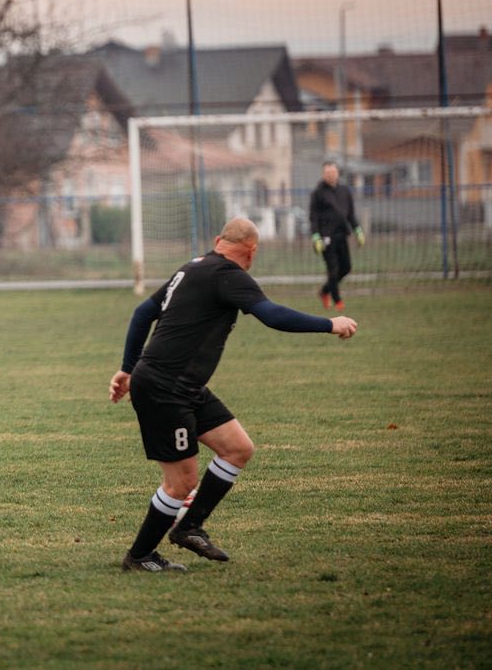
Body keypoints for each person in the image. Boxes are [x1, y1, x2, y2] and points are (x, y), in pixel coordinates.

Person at [109, 218, 358, 573]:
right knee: (181, 482)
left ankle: (189, 527)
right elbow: (271, 315)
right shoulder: (229, 274)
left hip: (183, 385)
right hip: (166, 388)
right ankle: (140, 556)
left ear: (218, 240)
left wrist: (128, 368)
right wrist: (329, 324)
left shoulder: (192, 268)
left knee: (238, 448)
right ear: (252, 251)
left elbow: (142, 313)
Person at [309, 161, 365, 311]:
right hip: (326, 238)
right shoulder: (318, 193)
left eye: (333, 172)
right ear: (323, 174)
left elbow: (350, 214)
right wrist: (316, 236)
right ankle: (338, 301)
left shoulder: (344, 191)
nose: (330, 175)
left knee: (346, 267)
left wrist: (357, 230)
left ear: (337, 173)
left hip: (342, 235)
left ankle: (324, 291)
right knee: (333, 270)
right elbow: (313, 217)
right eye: (327, 173)